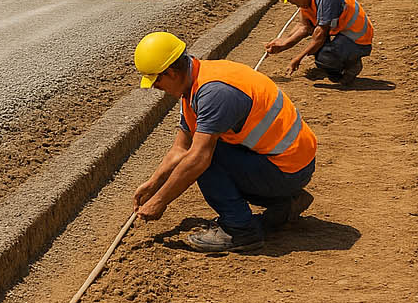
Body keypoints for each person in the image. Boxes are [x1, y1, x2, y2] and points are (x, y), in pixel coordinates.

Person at [131, 31, 317, 253]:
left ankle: (240, 230)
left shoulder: (214, 93)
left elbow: (197, 158)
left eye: (156, 81)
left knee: (205, 158)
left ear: (170, 72)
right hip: (288, 162)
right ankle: (285, 204)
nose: (155, 87)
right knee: (203, 150)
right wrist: (153, 185)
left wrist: (160, 201)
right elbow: (180, 147)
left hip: (289, 170)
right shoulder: (195, 82)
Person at [265, 0, 373, 84]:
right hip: (344, 33)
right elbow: (305, 26)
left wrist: (298, 59)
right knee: (319, 50)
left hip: (359, 38)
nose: (291, 3)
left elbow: (320, 36)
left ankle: (352, 65)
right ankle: (340, 60)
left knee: (325, 58)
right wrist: (283, 43)